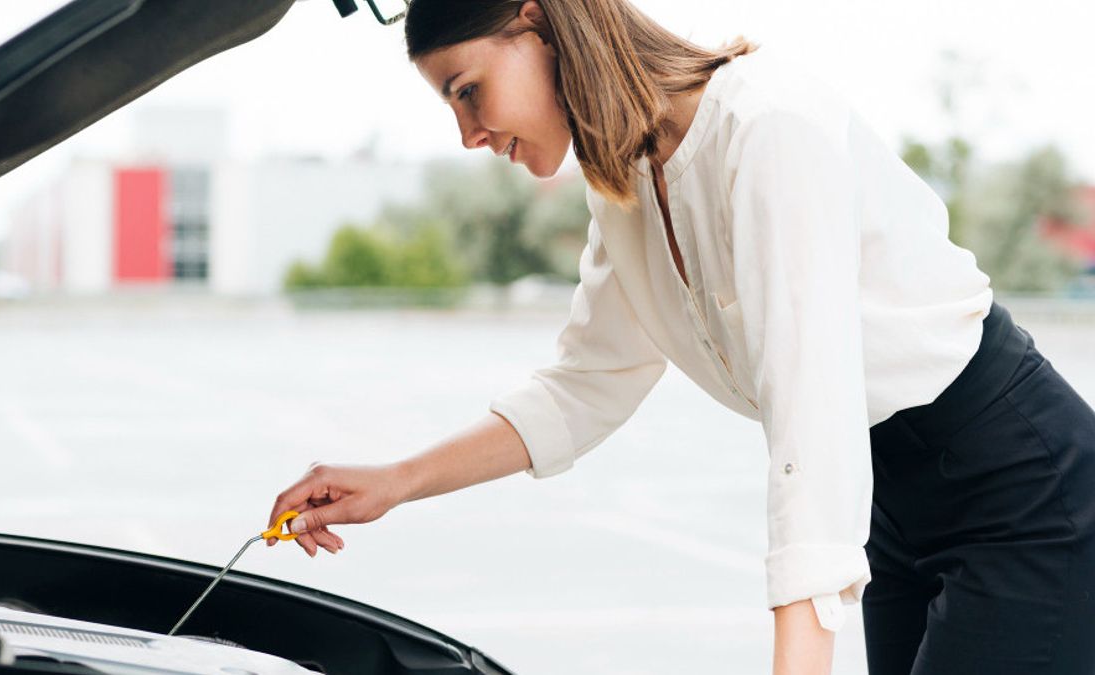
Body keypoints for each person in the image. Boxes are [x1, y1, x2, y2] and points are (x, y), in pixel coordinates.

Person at [266, 1, 1095, 673]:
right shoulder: (625, 179)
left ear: (538, 24)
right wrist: (395, 480)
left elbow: (812, 414)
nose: (467, 134)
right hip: (895, 504)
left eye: (466, 89)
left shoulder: (767, 126)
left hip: (1019, 488)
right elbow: (583, 386)